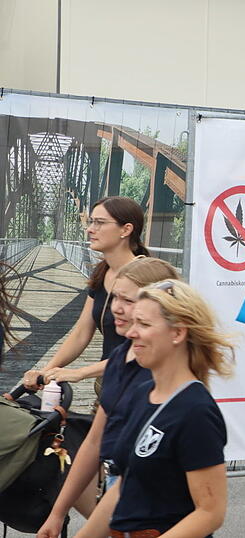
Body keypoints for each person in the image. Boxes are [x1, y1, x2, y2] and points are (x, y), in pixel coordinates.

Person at [37, 258, 181, 538]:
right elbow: (95, 442)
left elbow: (208, 509)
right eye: (114, 296)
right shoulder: (120, 360)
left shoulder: (175, 388)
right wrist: (58, 513)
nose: (115, 307)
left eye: (127, 300)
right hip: (125, 498)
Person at [100, 280, 231, 538]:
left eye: (144, 324)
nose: (130, 333)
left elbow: (210, 512)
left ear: (178, 333)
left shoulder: (196, 411)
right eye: (134, 322)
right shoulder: (141, 394)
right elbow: (124, 486)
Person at [23, 196, 149, 390]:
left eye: (99, 223)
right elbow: (82, 332)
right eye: (91, 222)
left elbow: (147, 349)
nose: (90, 229)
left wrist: (81, 373)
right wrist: (47, 371)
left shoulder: (148, 277)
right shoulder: (102, 273)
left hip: (143, 390)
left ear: (126, 229)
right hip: (111, 386)